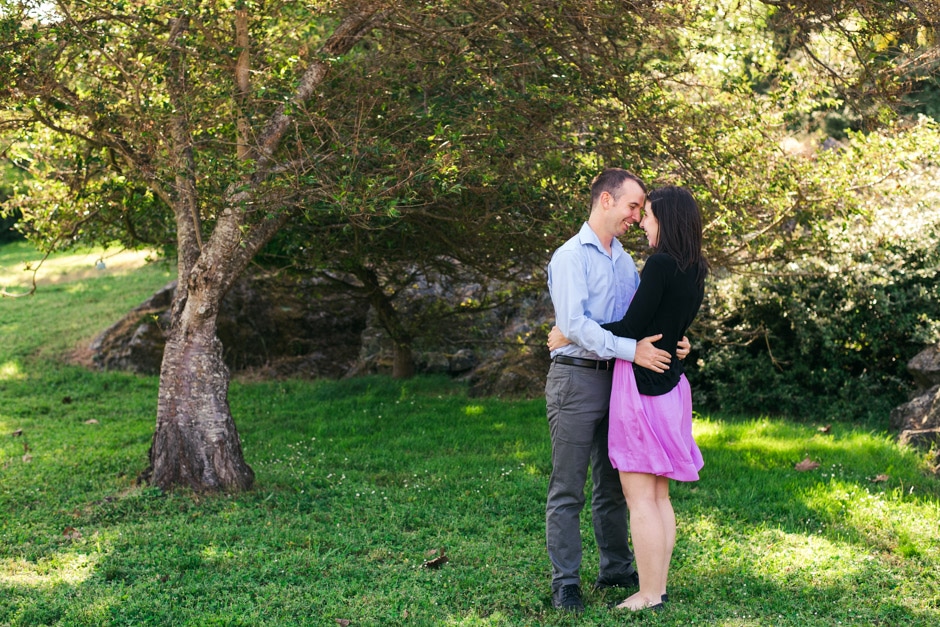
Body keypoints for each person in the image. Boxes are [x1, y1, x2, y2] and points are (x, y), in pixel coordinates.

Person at [549, 185, 708, 613]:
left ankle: (645, 588)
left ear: (668, 220)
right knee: (648, 496)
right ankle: (589, 584)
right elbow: (657, 321)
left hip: (638, 386)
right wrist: (674, 338)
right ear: (607, 200)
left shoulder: (647, 263)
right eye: (636, 209)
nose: (641, 220)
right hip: (641, 383)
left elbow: (636, 324)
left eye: (648, 213)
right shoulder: (695, 267)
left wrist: (574, 329)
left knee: (638, 498)